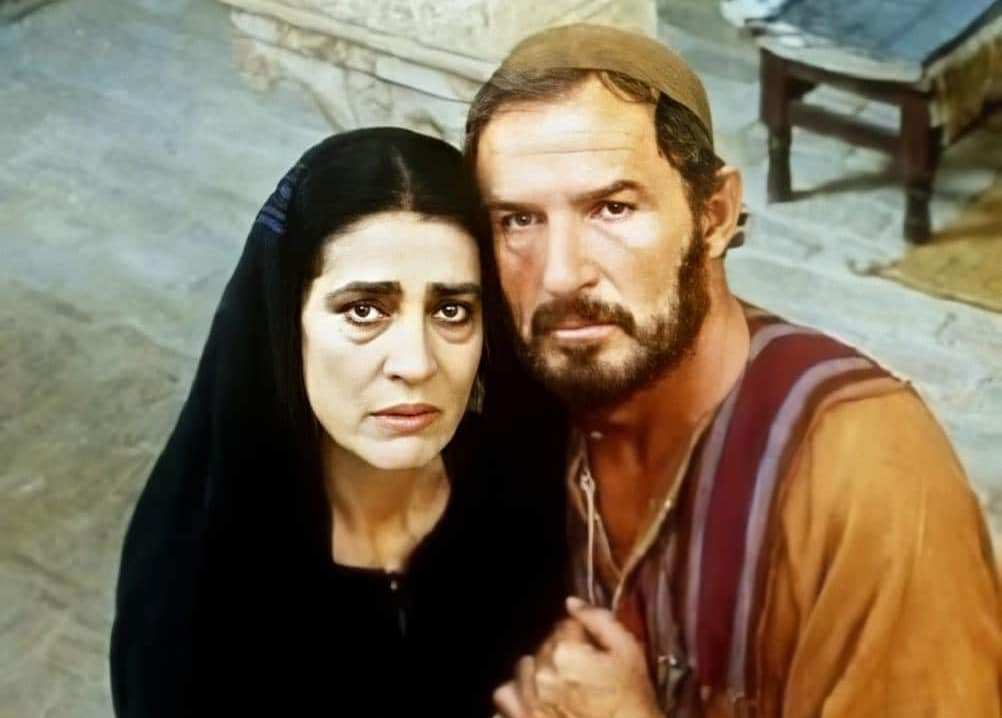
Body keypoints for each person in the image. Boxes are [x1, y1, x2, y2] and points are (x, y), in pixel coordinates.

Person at [466, 24, 1002, 718]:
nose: (561, 275)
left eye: (613, 208)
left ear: (714, 215)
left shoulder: (864, 474)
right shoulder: (525, 397)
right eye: (518, 221)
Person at [109, 127, 566, 717]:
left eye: (452, 310)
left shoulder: (525, 493)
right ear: (287, 323)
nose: (416, 363)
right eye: (364, 310)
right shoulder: (195, 586)